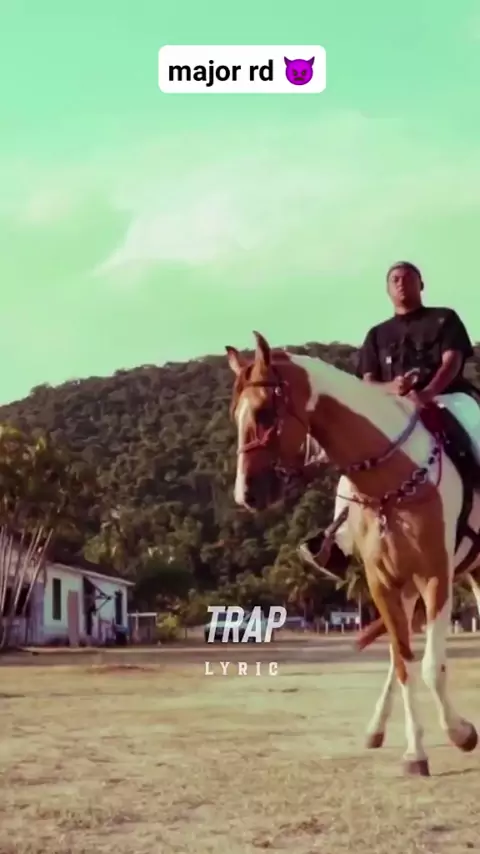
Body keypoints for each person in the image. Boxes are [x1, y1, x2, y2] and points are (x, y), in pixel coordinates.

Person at [298, 260, 480, 578]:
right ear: (387, 289)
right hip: (393, 409)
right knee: (357, 462)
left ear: (421, 284)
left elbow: (452, 361)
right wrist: (392, 388)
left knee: (474, 427)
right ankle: (338, 543)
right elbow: (367, 382)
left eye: (408, 277)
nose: (401, 282)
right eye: (394, 278)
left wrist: (427, 393)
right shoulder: (377, 335)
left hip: (447, 397)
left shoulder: (444, 319)